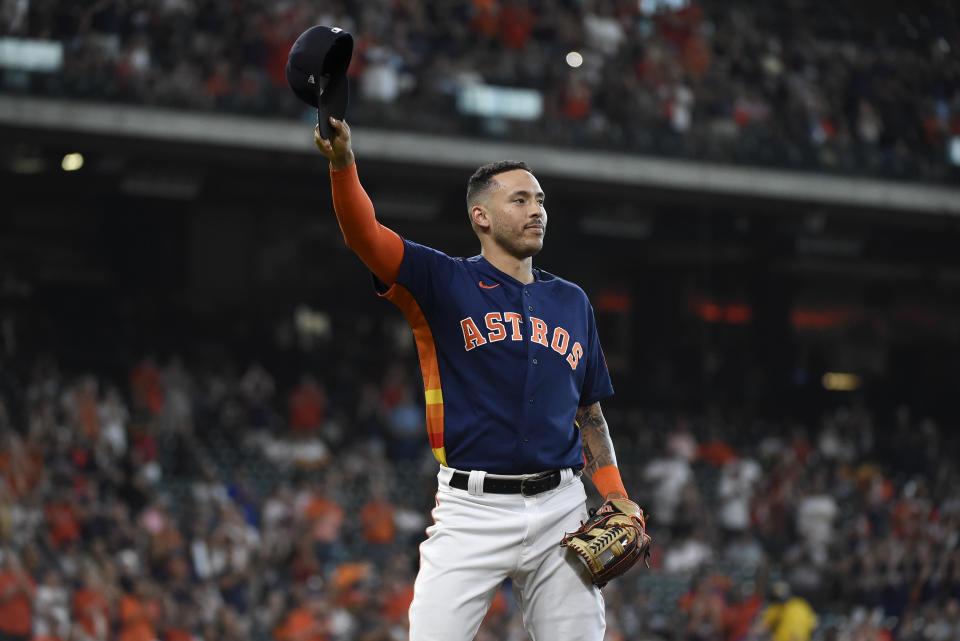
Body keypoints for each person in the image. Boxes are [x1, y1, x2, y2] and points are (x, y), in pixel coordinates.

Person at [314, 116, 644, 640]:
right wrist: (342, 165)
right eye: (520, 200)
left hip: (562, 506)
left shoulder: (573, 302)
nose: (536, 210)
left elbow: (590, 413)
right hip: (473, 509)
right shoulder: (444, 281)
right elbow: (365, 238)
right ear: (481, 216)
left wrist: (616, 493)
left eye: (540, 200)